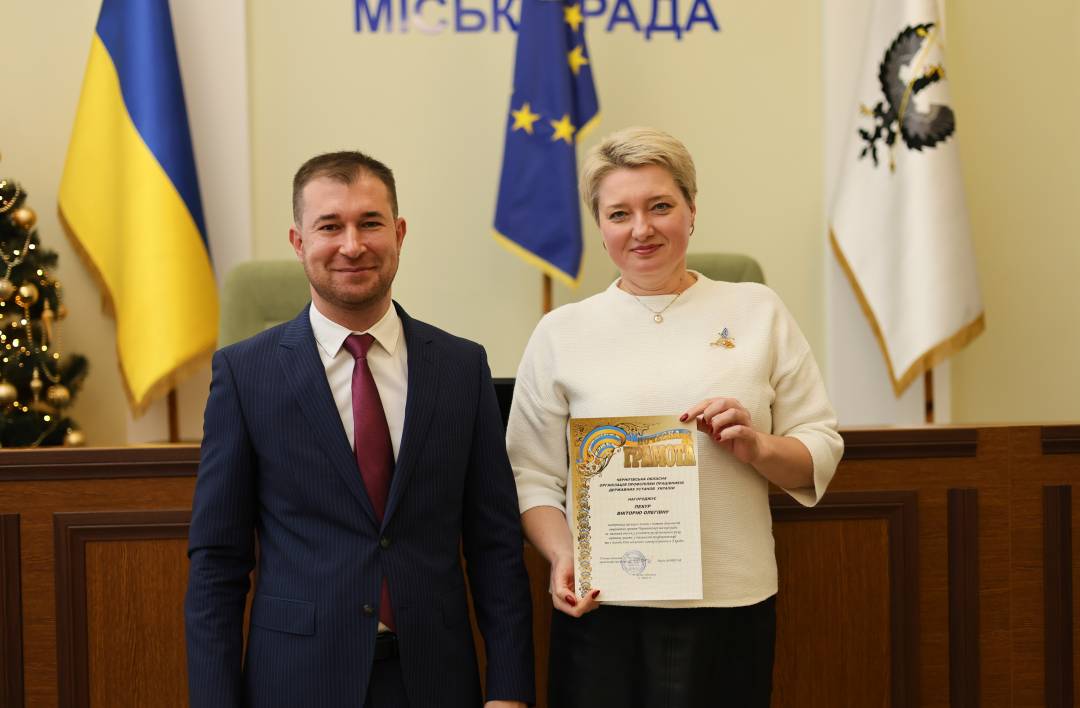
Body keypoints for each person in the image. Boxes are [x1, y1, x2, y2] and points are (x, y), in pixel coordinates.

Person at [507, 127, 843, 707]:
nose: (641, 228)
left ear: (691, 210)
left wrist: (757, 446)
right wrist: (563, 556)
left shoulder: (758, 310)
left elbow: (819, 446)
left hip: (731, 603)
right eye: (619, 213)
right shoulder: (561, 332)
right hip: (604, 606)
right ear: (600, 227)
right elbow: (531, 476)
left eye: (660, 206)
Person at [185, 151, 534, 708]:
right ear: (299, 241)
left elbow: (495, 547)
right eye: (330, 226)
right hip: (296, 682)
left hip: (436, 680)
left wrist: (509, 690)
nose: (352, 245)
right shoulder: (245, 373)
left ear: (399, 233)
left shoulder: (461, 368)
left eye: (370, 223)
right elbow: (218, 562)